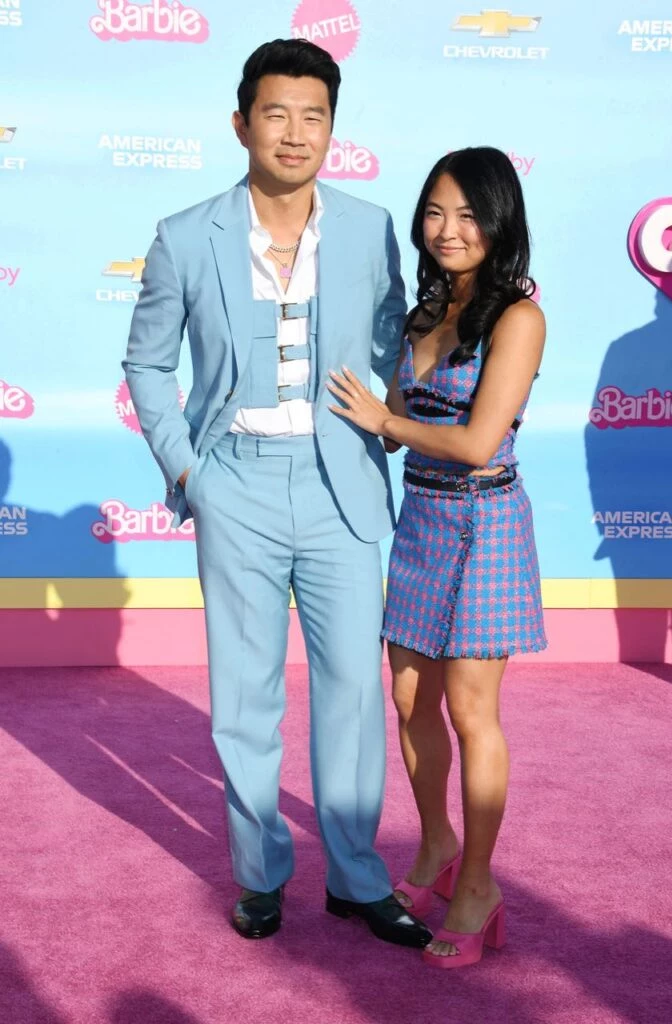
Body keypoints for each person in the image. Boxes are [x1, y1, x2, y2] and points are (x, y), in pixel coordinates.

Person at [123, 38, 431, 949]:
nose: (295, 134)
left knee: (352, 694)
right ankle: (259, 877)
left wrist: (391, 413)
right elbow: (146, 362)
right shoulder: (185, 234)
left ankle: (356, 879)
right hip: (237, 486)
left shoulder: (372, 227)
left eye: (314, 116)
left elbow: (393, 341)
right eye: (276, 113)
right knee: (245, 699)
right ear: (240, 123)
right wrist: (188, 472)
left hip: (341, 485)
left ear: (332, 127)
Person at [327, 146, 547, 968]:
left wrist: (385, 423)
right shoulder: (421, 317)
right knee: (409, 694)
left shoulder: (517, 318)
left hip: (485, 526)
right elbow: (393, 416)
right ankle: (434, 846)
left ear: (499, 223)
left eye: (466, 215)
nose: (447, 231)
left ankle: (480, 882)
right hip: (421, 519)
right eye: (434, 213)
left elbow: (479, 439)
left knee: (468, 707)